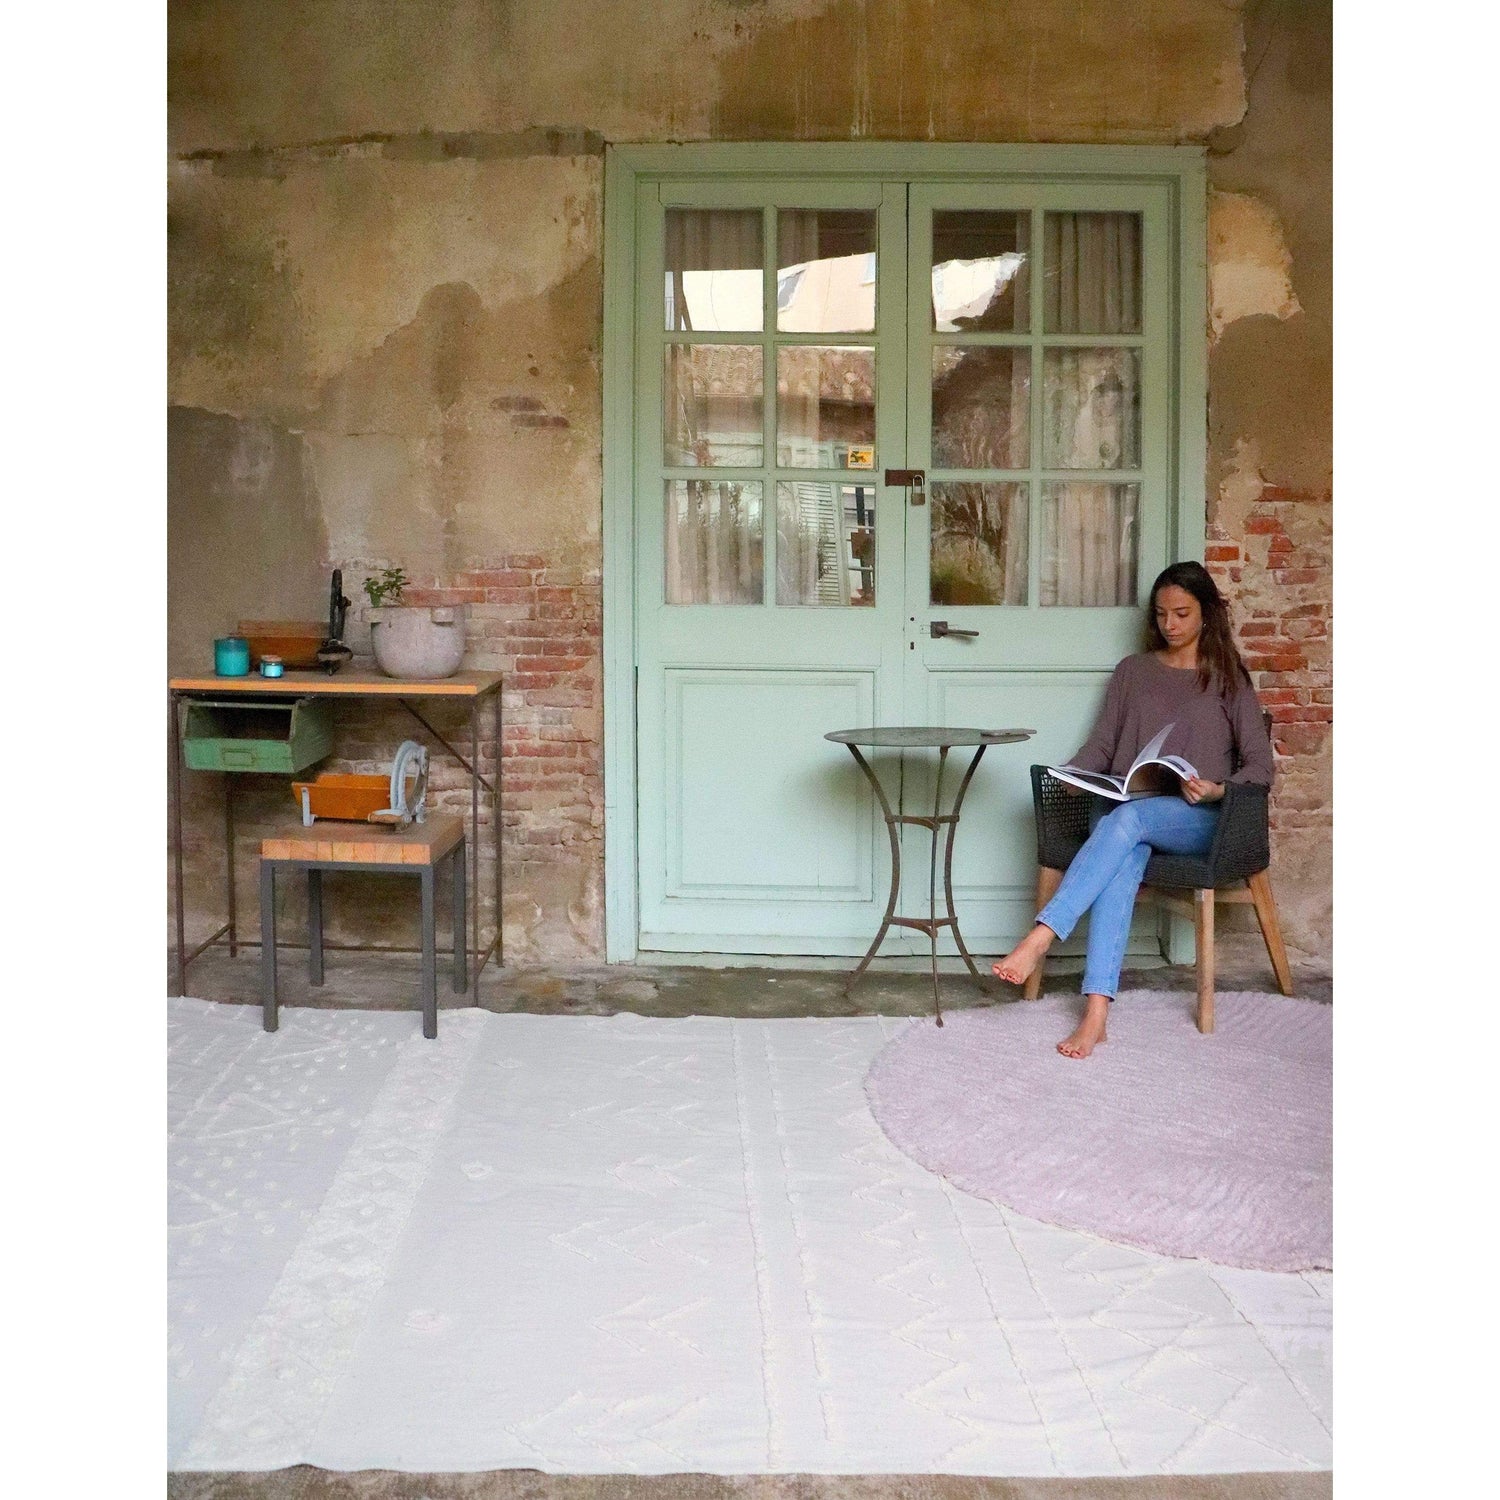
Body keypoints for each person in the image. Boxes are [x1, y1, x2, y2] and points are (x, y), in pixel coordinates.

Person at [991, 561, 1274, 1059]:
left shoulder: (1229, 680)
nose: (1170, 625)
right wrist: (1074, 775)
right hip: (1131, 811)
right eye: (1161, 614)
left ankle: (1041, 936)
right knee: (1124, 847)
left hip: (1198, 819)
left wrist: (1215, 790)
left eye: (1182, 614)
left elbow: (1260, 767)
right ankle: (1096, 1013)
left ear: (1206, 613)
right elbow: (1102, 746)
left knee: (1128, 821)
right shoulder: (1132, 671)